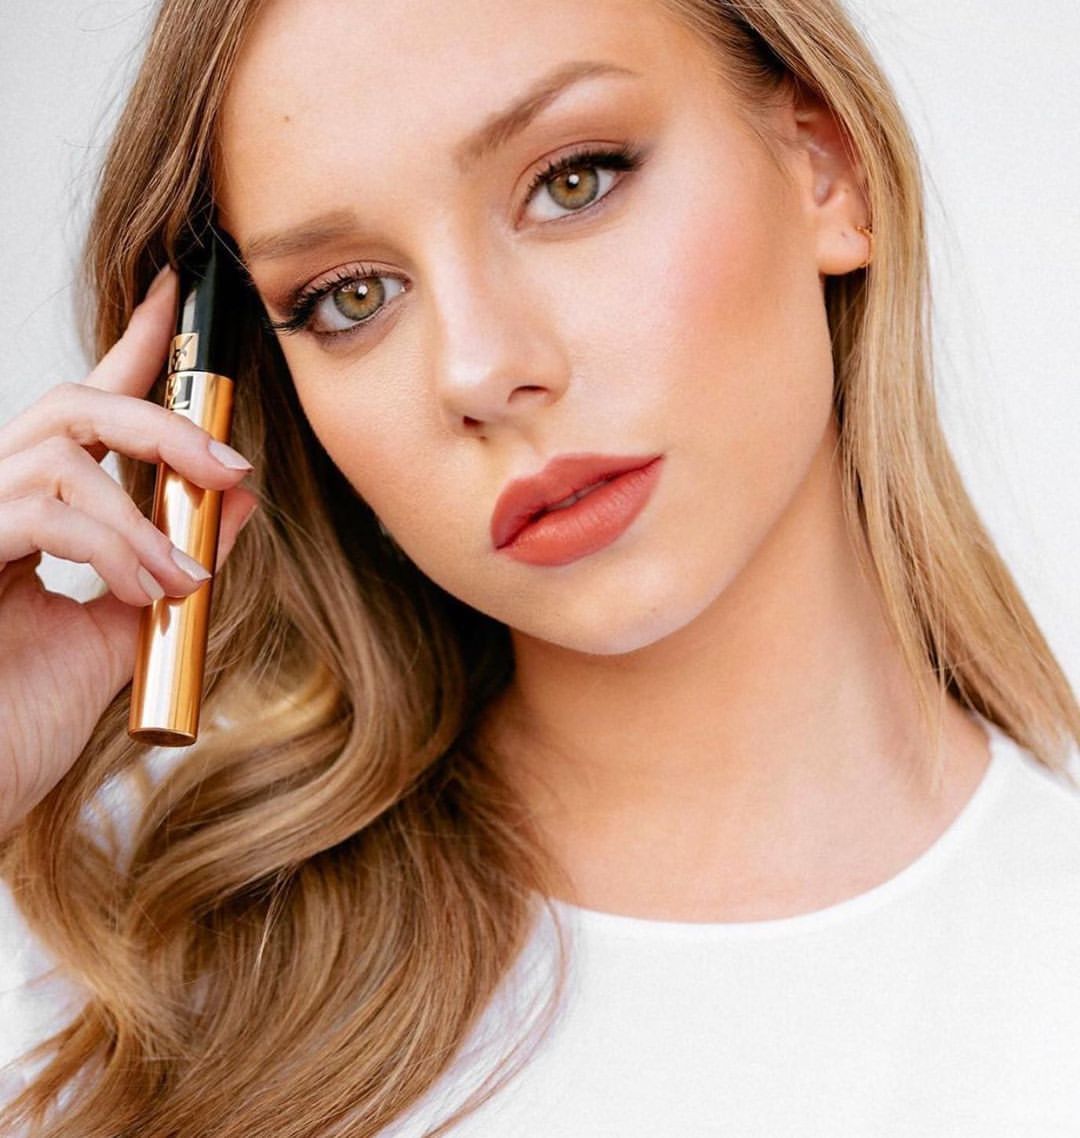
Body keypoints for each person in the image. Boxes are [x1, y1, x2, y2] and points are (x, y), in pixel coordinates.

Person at [1, 0, 1078, 1134]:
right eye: (351, 297)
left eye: (574, 182)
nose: (478, 368)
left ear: (827, 170)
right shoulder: (122, 967)